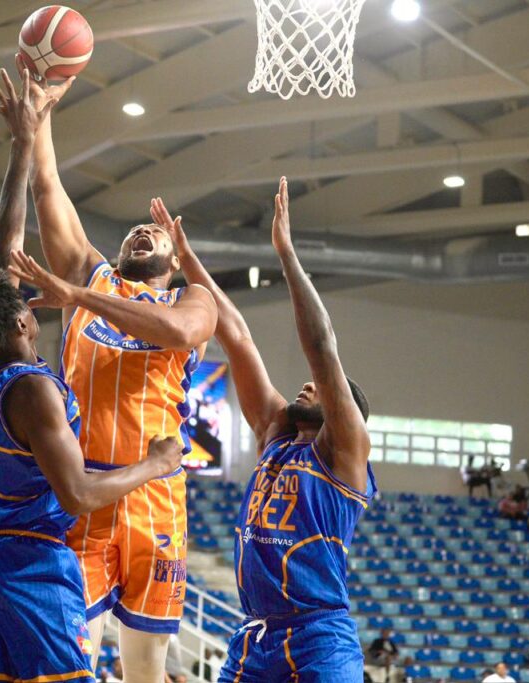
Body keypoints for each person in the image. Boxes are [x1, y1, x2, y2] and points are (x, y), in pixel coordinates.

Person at [0, 66, 184, 683]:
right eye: (23, 303)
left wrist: (24, 136)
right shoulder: (35, 387)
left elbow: (5, 249)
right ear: (23, 322)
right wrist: (157, 463)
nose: (28, 299)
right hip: (49, 537)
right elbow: (75, 494)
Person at [25, 64, 218, 678]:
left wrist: (76, 297)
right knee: (69, 652)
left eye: (154, 232)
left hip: (157, 496)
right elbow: (48, 186)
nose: (142, 231)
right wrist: (41, 115)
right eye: (135, 229)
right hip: (83, 488)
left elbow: (179, 333)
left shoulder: (192, 299)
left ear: (173, 258)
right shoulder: (91, 274)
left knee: (145, 665)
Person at [142, 181, 374, 680]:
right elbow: (236, 335)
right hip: (255, 637)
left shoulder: (346, 454)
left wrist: (286, 255)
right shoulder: (276, 434)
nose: (308, 384)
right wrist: (188, 261)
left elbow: (322, 349)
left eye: (322, 388)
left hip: (319, 637)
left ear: (344, 411)